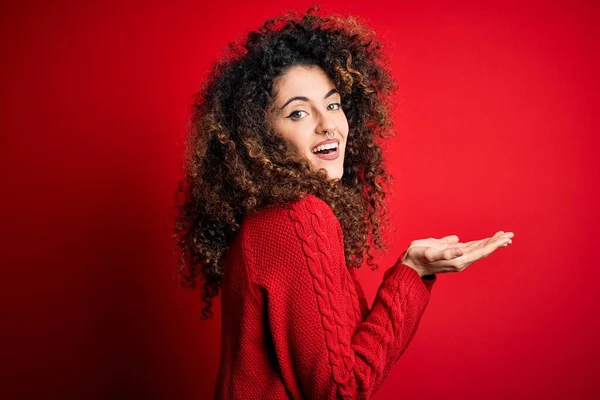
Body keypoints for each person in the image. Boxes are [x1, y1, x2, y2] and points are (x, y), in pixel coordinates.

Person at [173, 6, 514, 399]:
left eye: (332, 104)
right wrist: (410, 276)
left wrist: (413, 267)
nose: (327, 124)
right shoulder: (299, 218)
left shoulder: (269, 219)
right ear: (260, 136)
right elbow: (341, 391)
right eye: (298, 112)